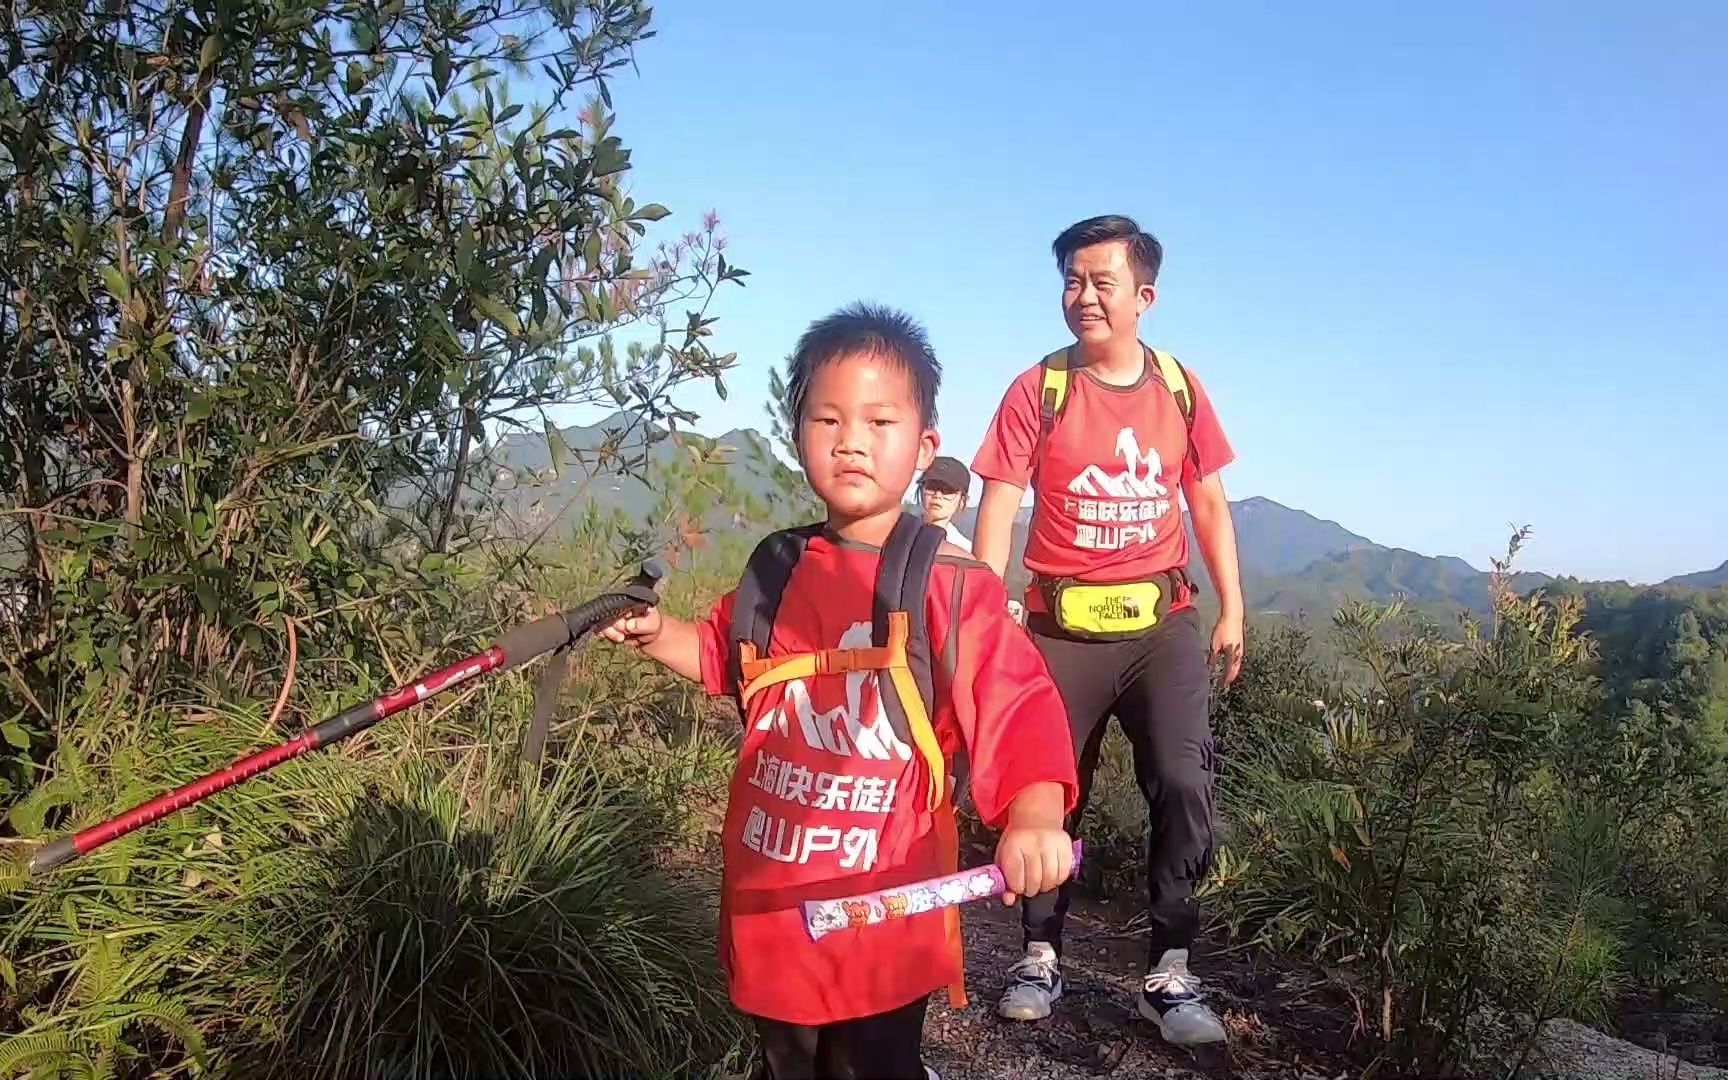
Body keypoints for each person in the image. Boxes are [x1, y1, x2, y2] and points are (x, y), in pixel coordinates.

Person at [601, 302, 1080, 1080]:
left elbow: (1018, 707)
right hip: (773, 909)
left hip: (883, 917)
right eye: (826, 419)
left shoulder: (949, 588)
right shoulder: (776, 568)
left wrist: (1033, 817)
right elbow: (724, 655)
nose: (851, 440)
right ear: (797, 435)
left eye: (879, 421)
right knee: (784, 1060)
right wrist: (658, 634)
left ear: (924, 445)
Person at [969, 215, 1245, 1047]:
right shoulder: (1037, 389)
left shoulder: (1179, 387)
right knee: (1046, 793)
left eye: (1100, 282)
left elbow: (1206, 502)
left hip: (1163, 624)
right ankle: (1039, 954)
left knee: (1184, 782)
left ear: (1143, 297)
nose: (1082, 297)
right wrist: (990, 613)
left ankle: (1169, 971)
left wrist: (1232, 606)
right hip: (1058, 627)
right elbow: (1001, 505)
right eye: (1071, 281)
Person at [917, 455, 974, 552]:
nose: (937, 495)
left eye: (948, 490)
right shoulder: (897, 534)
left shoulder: (965, 551)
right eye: (931, 487)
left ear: (963, 500)